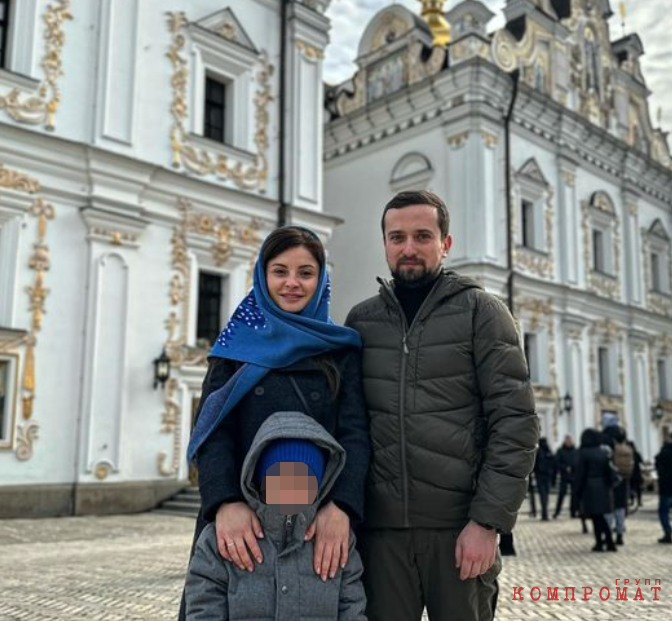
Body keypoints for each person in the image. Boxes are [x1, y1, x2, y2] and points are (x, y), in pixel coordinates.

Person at [345, 191, 539, 621]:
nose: (408, 248)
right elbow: (350, 427)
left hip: (460, 532)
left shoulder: (483, 313)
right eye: (397, 237)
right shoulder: (360, 322)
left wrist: (488, 523)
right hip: (381, 537)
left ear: (445, 244)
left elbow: (516, 424)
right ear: (384, 243)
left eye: (422, 236)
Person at [178, 227, 370, 620]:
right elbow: (214, 433)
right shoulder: (235, 348)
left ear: (321, 280)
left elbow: (355, 434)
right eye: (280, 271)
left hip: (317, 523)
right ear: (262, 276)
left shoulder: (340, 350)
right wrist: (225, 502)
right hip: (242, 521)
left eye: (306, 272)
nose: (292, 283)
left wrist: (343, 507)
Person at [185, 411, 367, 620]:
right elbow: (204, 607)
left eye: (303, 478)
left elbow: (352, 608)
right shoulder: (219, 539)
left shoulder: (337, 540)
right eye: (280, 476)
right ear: (261, 479)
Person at [574, 428, 617, 552]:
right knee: (601, 516)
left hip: (590, 487)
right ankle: (609, 542)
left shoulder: (583, 453)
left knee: (595, 516)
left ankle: (601, 542)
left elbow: (580, 474)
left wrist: (577, 492)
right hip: (603, 486)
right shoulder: (603, 452)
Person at [603, 425, 634, 545]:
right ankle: (620, 533)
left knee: (609, 509)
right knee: (620, 509)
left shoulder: (609, 449)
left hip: (611, 481)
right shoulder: (628, 448)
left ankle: (608, 533)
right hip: (624, 480)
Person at [553, 434, 578, 519]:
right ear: (565, 441)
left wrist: (574, 467)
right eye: (567, 440)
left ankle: (573, 512)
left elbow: (579, 462)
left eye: (570, 440)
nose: (569, 442)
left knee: (574, 495)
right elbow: (556, 463)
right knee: (561, 494)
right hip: (564, 475)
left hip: (574, 475)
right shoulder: (560, 451)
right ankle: (557, 512)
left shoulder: (576, 451)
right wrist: (564, 468)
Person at [655, 432, 672, 544]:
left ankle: (667, 532)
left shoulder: (664, 452)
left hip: (666, 486)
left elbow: (658, 467)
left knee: (663, 511)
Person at [534, 438, 555, 521]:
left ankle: (545, 514)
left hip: (544, 477)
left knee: (544, 496)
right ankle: (544, 514)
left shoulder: (543, 452)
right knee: (544, 496)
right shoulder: (543, 452)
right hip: (543, 477)